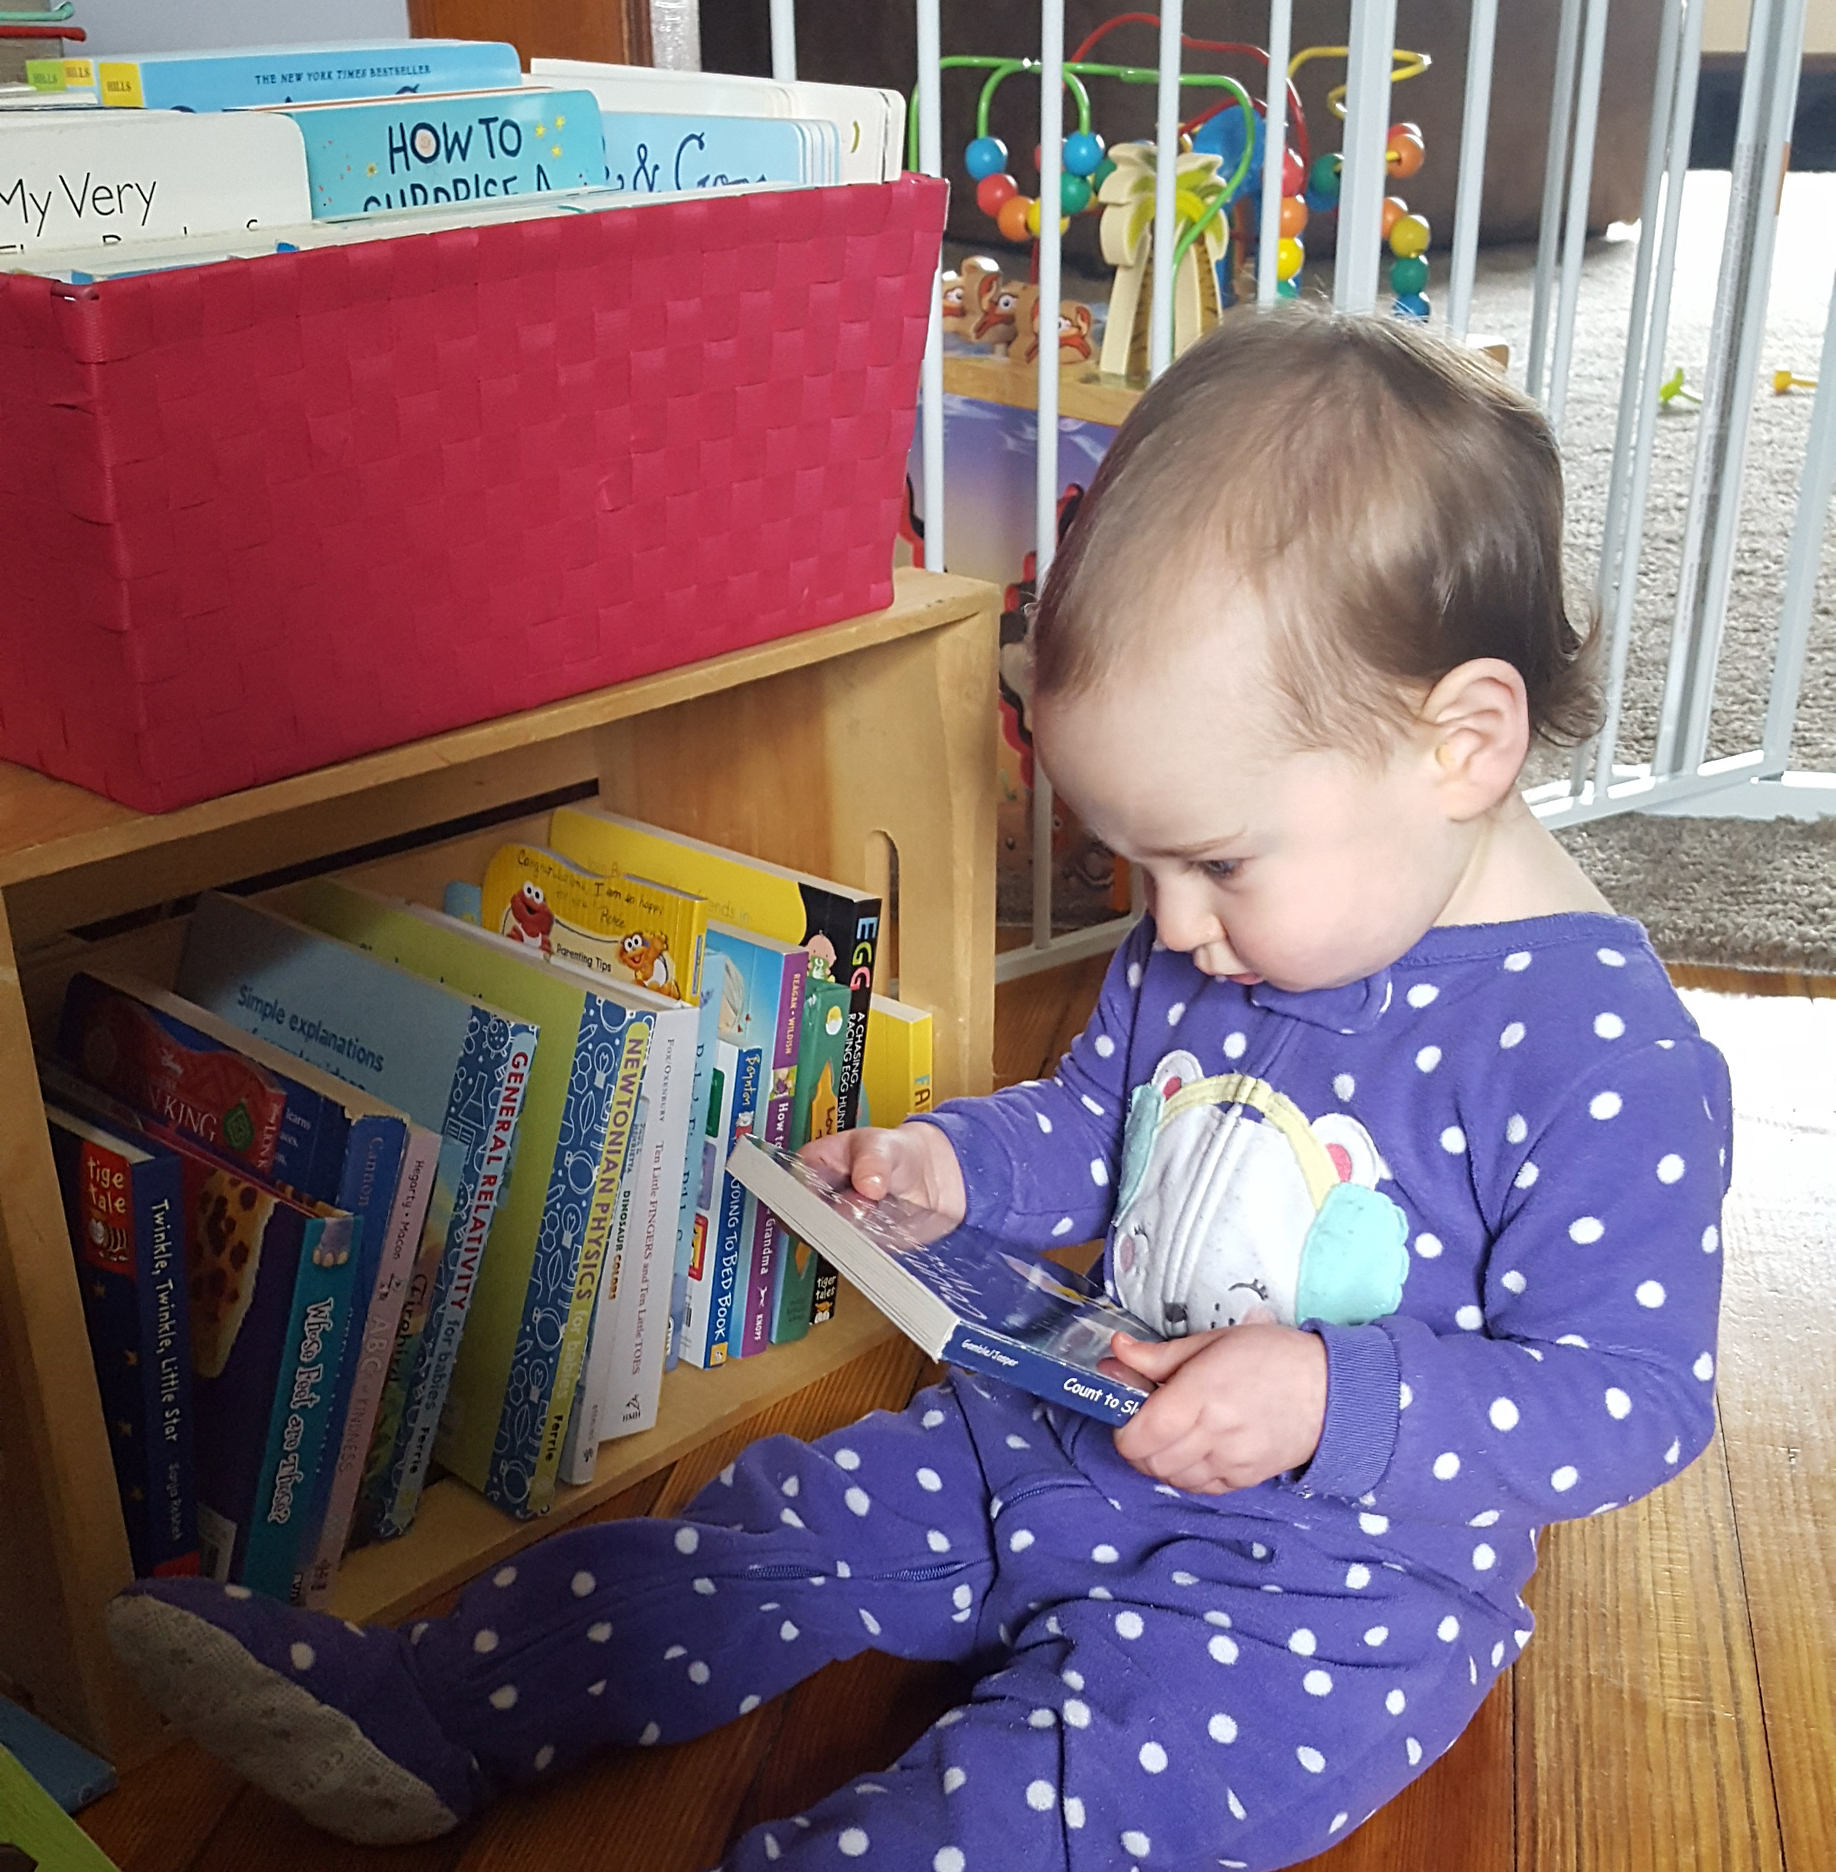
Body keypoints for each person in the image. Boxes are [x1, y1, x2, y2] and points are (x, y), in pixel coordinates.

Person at [107, 308, 1729, 1872]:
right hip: (1056, 1437)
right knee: (767, 1528)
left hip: (1330, 1598)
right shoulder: (1219, 932)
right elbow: (1103, 1128)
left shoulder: (1609, 1062)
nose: (1164, 924)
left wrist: (1330, 1396)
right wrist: (956, 1167)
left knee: (1053, 1799)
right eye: (1132, 861)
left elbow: (1639, 1401)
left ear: (1463, 745)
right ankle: (427, 1710)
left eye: (1215, 859)